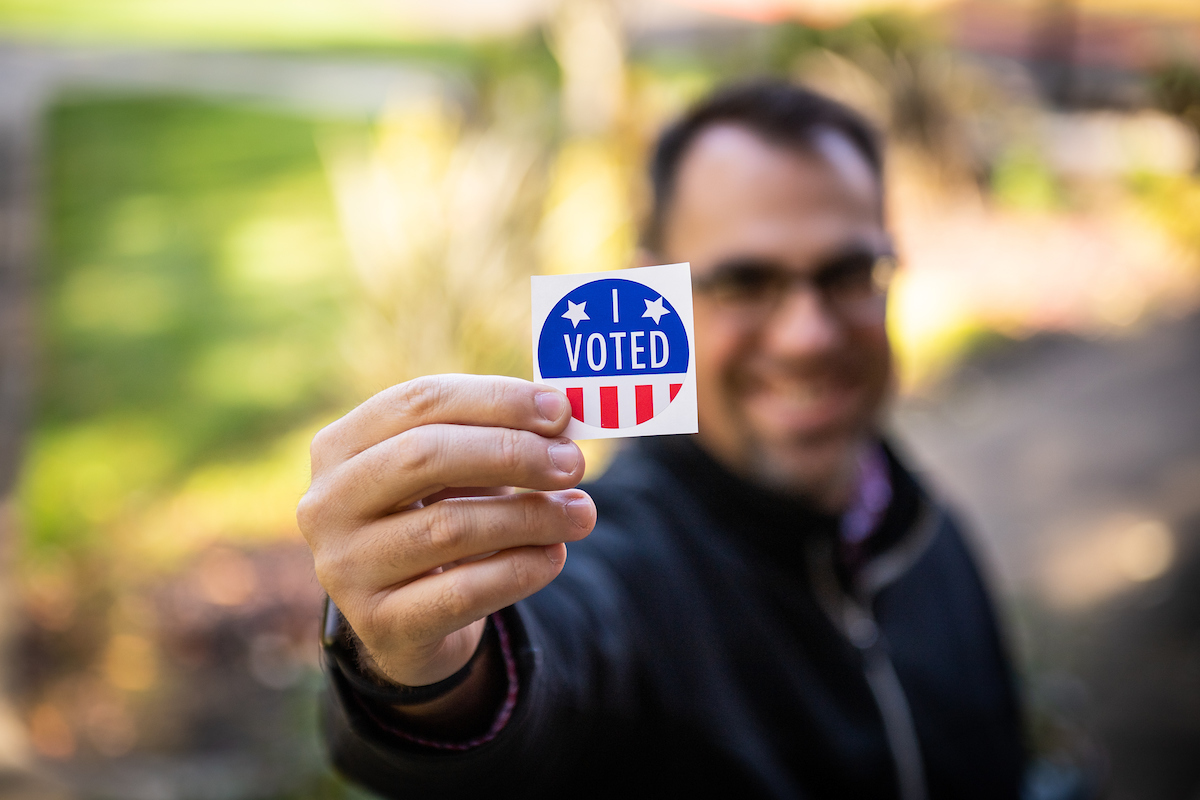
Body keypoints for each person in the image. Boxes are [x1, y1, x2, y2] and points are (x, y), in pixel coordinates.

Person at [299, 81, 1026, 799]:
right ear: (654, 296)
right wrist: (426, 668)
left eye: (848, 273)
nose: (808, 336)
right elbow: (541, 673)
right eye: (744, 282)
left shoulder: (920, 524)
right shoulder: (613, 555)